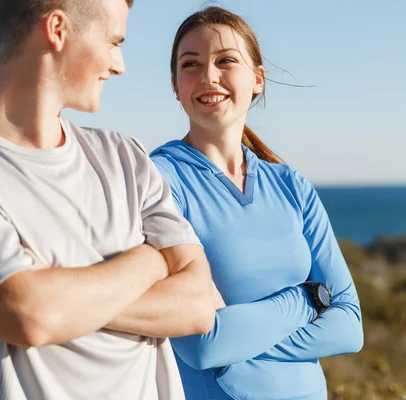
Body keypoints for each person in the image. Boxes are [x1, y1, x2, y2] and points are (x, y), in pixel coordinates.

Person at [0, 1, 222, 399]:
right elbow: (27, 314)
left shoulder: (126, 157)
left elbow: (201, 304)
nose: (120, 64)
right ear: (57, 29)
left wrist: (62, 300)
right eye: (114, 41)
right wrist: (151, 260)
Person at [149, 6, 364, 400]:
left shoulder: (291, 185)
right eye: (190, 64)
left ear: (258, 79)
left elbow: (350, 326)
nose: (208, 76)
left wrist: (239, 339)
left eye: (225, 61)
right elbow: (201, 346)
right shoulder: (158, 181)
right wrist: (306, 299)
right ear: (176, 85)